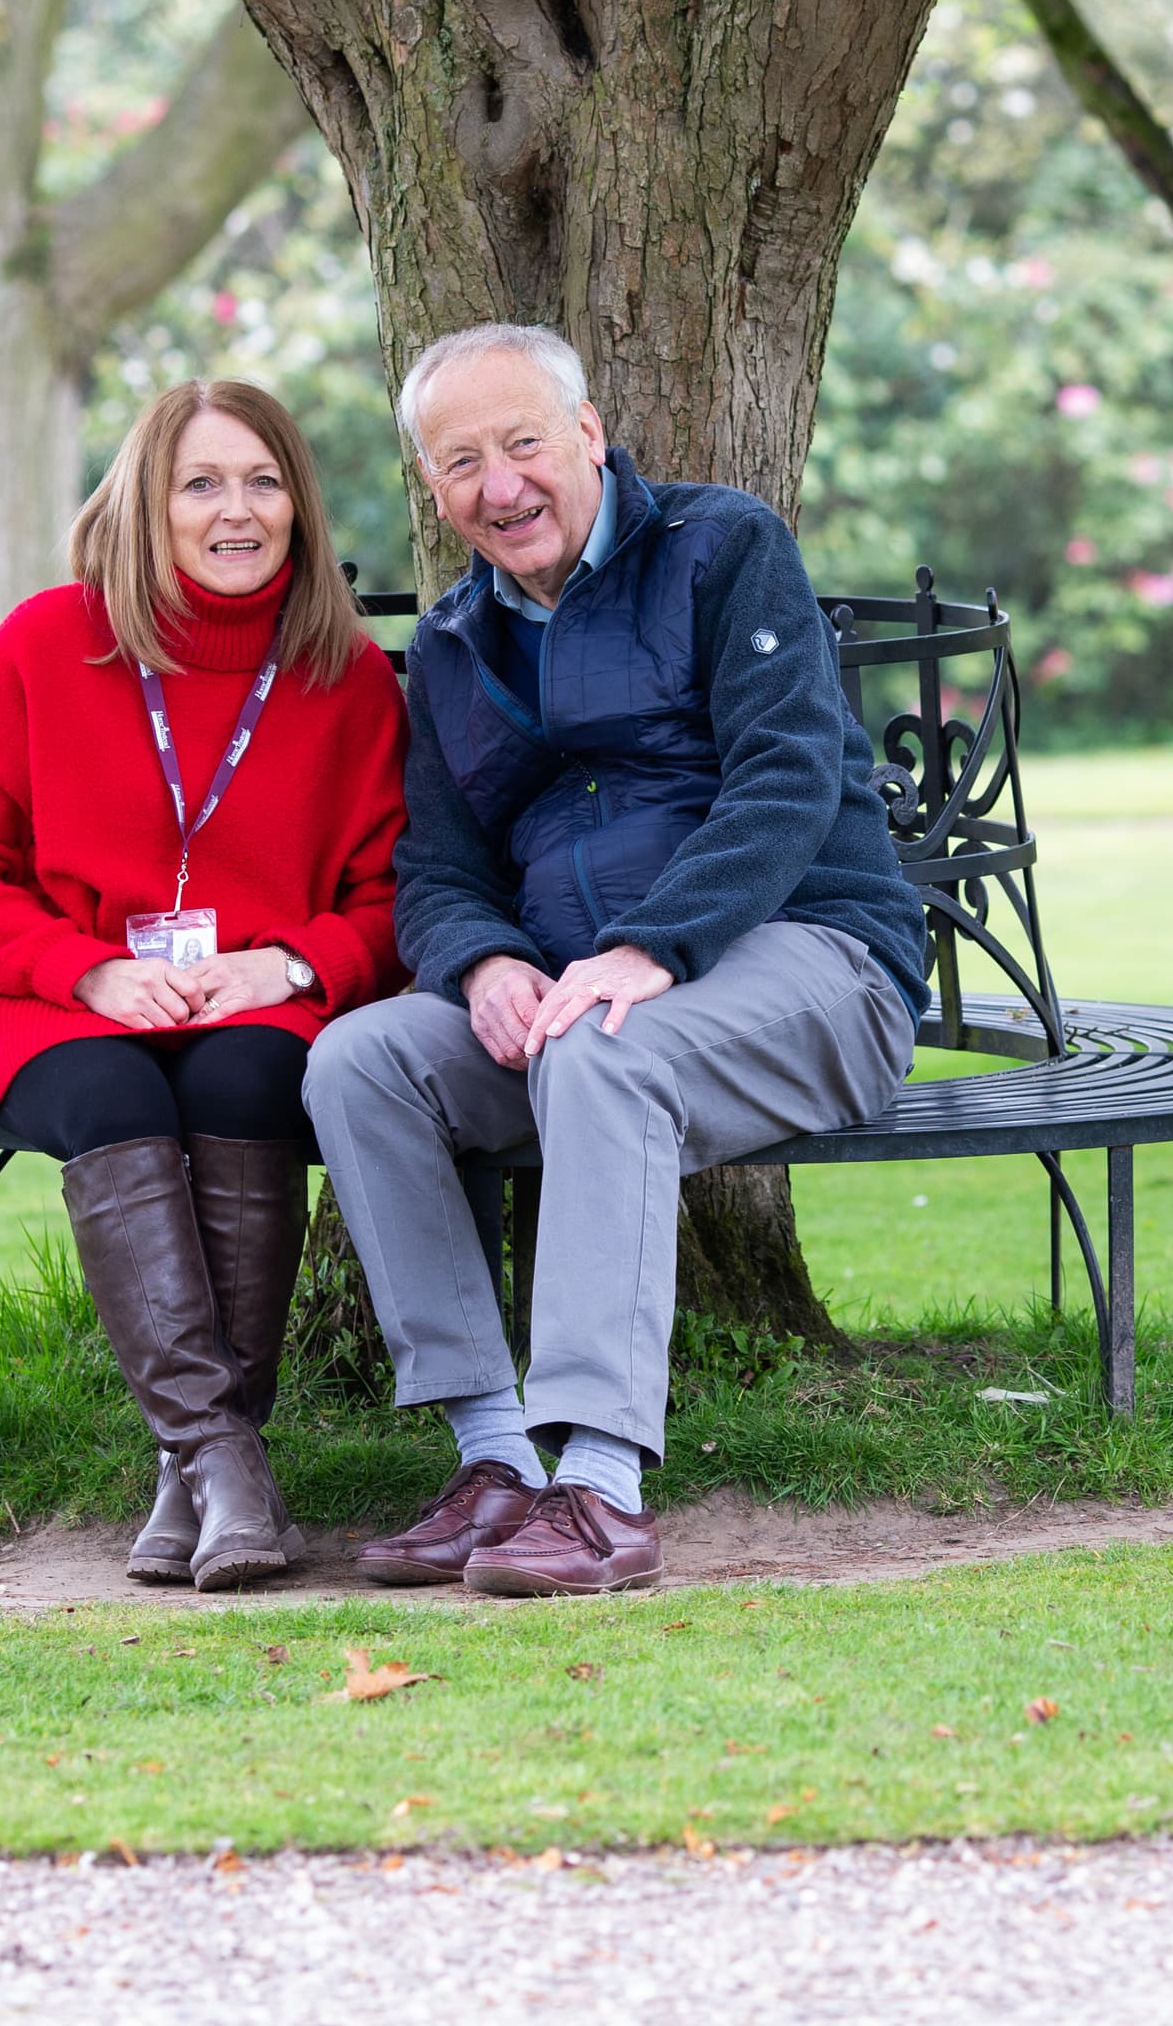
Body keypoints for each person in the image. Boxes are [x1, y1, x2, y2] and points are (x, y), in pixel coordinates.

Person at [306, 324, 926, 1597]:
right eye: (462, 461)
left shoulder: (721, 548)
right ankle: (495, 1465)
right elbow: (437, 869)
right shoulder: (455, 645)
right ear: (434, 485)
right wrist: (481, 966)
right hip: (581, 998)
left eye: (524, 442)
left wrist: (651, 946)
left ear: (588, 434)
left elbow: (787, 774)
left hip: (807, 959)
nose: (501, 485)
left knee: (602, 1050)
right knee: (364, 1061)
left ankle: (599, 1486)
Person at [0, 380, 406, 1591]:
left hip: (258, 997)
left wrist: (284, 963)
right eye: (202, 483)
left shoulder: (344, 676)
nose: (238, 511)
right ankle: (226, 1460)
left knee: (248, 1073)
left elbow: (399, 901)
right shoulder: (45, 642)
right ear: (146, 504)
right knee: (112, 1093)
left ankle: (198, 1486)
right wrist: (87, 968)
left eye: (263, 481)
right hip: (57, 993)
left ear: (300, 505)